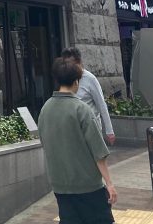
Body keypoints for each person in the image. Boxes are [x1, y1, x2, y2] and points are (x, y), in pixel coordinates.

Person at [37, 56, 117, 224]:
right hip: (88, 185)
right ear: (76, 81)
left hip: (60, 185)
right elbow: (99, 152)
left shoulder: (45, 109)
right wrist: (109, 184)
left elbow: (45, 143)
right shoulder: (82, 109)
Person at [61, 46, 115, 145]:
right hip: (74, 130)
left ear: (78, 62)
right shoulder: (66, 79)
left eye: (70, 64)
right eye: (66, 64)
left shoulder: (90, 79)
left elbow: (101, 105)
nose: (68, 67)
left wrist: (109, 131)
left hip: (92, 128)